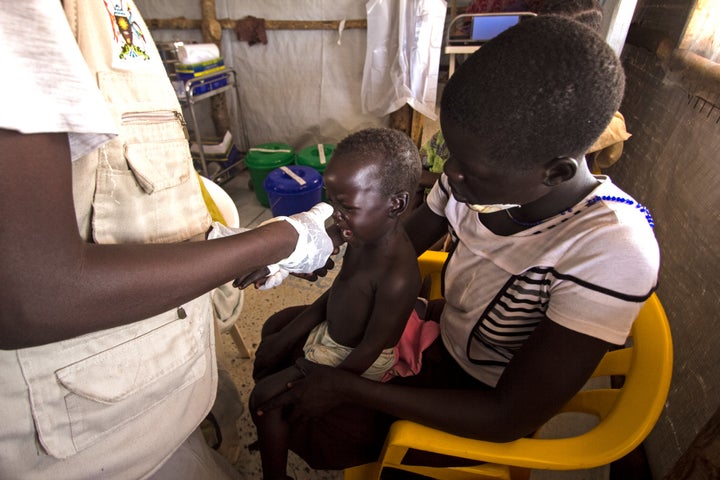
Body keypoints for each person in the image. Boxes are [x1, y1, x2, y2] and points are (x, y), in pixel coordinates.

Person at [251, 14, 660, 473]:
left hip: (479, 397)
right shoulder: (475, 178)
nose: (452, 178)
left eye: (473, 172)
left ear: (557, 172)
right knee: (282, 333)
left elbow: (507, 416)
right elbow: (378, 260)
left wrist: (346, 387)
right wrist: (305, 302)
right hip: (438, 340)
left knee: (303, 415)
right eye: (451, 155)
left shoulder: (611, 249)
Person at [0, 1, 333, 479]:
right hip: (93, 447)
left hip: (161, 401)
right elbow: (33, 291)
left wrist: (226, 246)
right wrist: (280, 238)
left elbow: (124, 204)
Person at [249, 128, 434, 480]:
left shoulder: (398, 275)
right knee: (274, 330)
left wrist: (317, 379)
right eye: (333, 201)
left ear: (395, 204)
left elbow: (371, 348)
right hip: (335, 332)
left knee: (263, 398)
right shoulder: (365, 234)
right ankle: (274, 434)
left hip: (356, 358)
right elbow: (341, 291)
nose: (336, 215)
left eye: (346, 206)